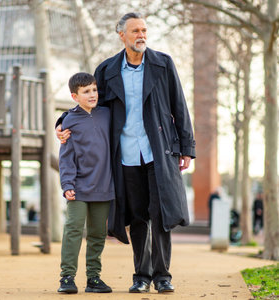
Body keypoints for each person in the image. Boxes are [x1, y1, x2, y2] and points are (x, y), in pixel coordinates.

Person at [56, 13, 196, 293]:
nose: (141, 35)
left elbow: (178, 105)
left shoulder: (163, 63)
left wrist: (186, 148)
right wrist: (62, 121)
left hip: (159, 150)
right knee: (137, 216)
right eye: (135, 31)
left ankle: (162, 275)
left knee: (162, 214)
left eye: (144, 30)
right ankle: (141, 276)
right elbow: (88, 106)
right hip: (125, 155)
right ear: (121, 35)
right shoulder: (107, 69)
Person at [57, 72, 114, 294]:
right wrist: (67, 184)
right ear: (75, 96)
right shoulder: (70, 121)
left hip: (104, 186)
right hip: (78, 188)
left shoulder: (107, 114)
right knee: (73, 229)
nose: (92, 95)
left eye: (94, 89)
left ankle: (94, 278)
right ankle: (67, 277)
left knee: (98, 233)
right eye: (86, 91)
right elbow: (66, 156)